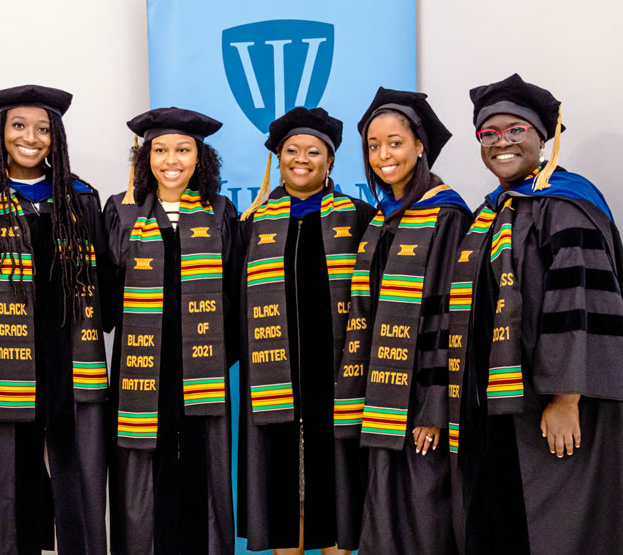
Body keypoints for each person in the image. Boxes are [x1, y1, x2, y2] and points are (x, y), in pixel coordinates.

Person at [450, 73, 623, 554]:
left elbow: (579, 305)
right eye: (488, 134)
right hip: (502, 409)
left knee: (555, 530)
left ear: (540, 137)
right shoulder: (492, 211)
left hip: (551, 408)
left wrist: (566, 399)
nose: (501, 143)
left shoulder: (568, 204)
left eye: (515, 131)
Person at [0, 85, 109, 555]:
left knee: (72, 462)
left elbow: (104, 279)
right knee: (7, 468)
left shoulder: (79, 198)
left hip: (68, 353)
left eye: (43, 129)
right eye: (18, 126)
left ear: (56, 137)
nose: (31, 137)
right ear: (1, 133)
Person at [332, 88, 472, 553]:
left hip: (420, 403)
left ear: (419, 146)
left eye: (394, 142)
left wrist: (434, 409)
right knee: (384, 516)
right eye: (373, 146)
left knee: (423, 518)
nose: (383, 155)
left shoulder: (446, 215)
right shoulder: (379, 221)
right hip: (380, 396)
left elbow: (448, 315)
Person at [237, 107, 374, 554]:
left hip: (336, 377)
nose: (302, 158)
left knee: (336, 486)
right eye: (291, 150)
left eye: (313, 151)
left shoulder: (359, 218)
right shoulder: (255, 222)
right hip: (273, 375)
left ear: (330, 161)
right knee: (281, 485)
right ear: (278, 158)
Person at [103, 107, 239, 554]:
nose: (171, 160)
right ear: (145, 159)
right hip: (142, 368)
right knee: (144, 474)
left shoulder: (220, 212)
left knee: (203, 471)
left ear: (200, 158)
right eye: (159, 150)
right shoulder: (120, 212)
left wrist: (219, 355)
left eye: (183, 149)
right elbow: (105, 295)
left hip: (203, 367)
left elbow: (237, 295)